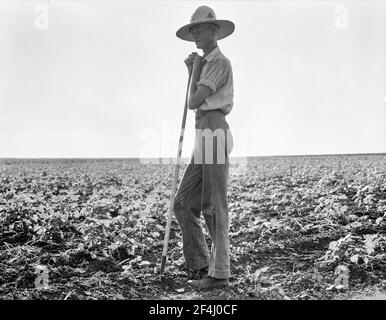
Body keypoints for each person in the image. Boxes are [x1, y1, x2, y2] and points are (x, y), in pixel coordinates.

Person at [174, 5, 235, 290]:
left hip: (214, 129)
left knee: (213, 205)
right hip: (204, 131)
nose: (196, 34)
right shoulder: (207, 64)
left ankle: (219, 273)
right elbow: (196, 101)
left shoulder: (219, 62)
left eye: (200, 28)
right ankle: (200, 266)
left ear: (213, 31)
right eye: (193, 29)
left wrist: (195, 68)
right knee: (184, 202)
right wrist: (194, 69)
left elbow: (194, 101)